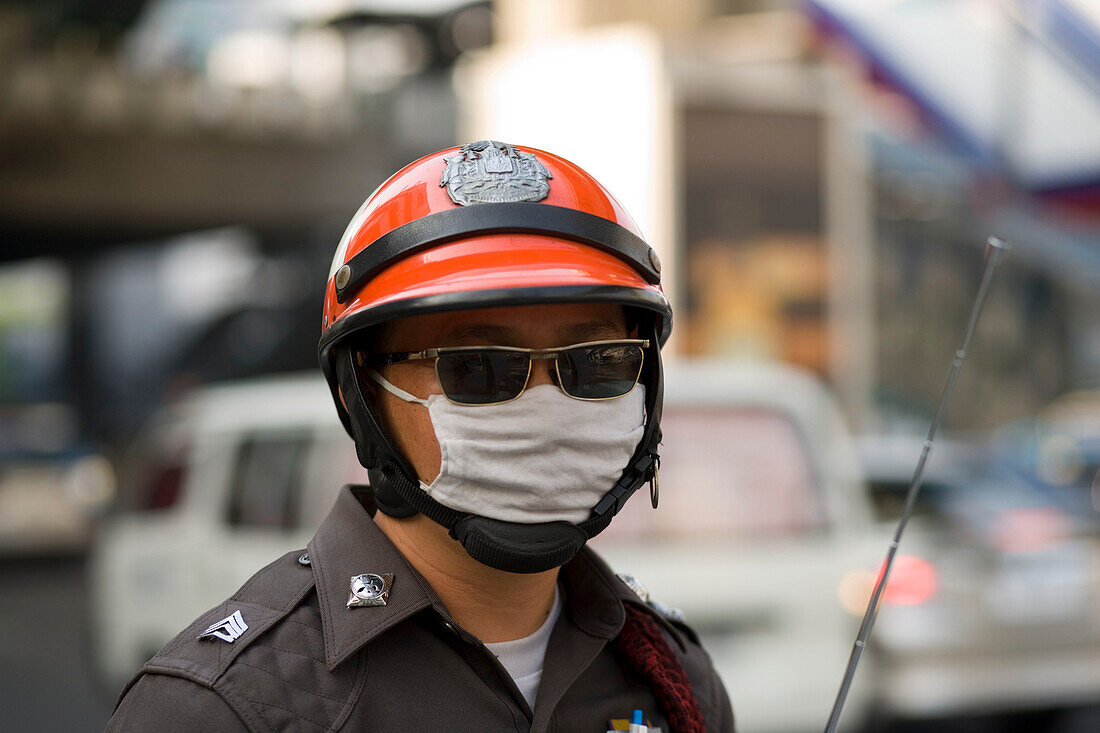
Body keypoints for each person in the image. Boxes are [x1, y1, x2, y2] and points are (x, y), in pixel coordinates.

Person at [107, 140, 735, 732]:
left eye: (599, 362)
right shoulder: (223, 709)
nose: (548, 405)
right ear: (364, 394)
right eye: (478, 368)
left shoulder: (673, 682)